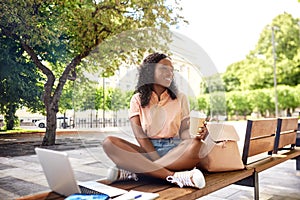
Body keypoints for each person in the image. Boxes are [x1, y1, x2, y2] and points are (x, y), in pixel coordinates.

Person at [102, 52, 208, 189]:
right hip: (147, 150)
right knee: (109, 143)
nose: (170, 73)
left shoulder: (180, 97)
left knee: (199, 146)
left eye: (172, 70)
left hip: (175, 151)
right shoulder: (137, 99)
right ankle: (174, 177)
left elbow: (183, 134)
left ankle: (138, 171)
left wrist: (196, 136)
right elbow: (140, 136)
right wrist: (155, 159)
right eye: (164, 68)